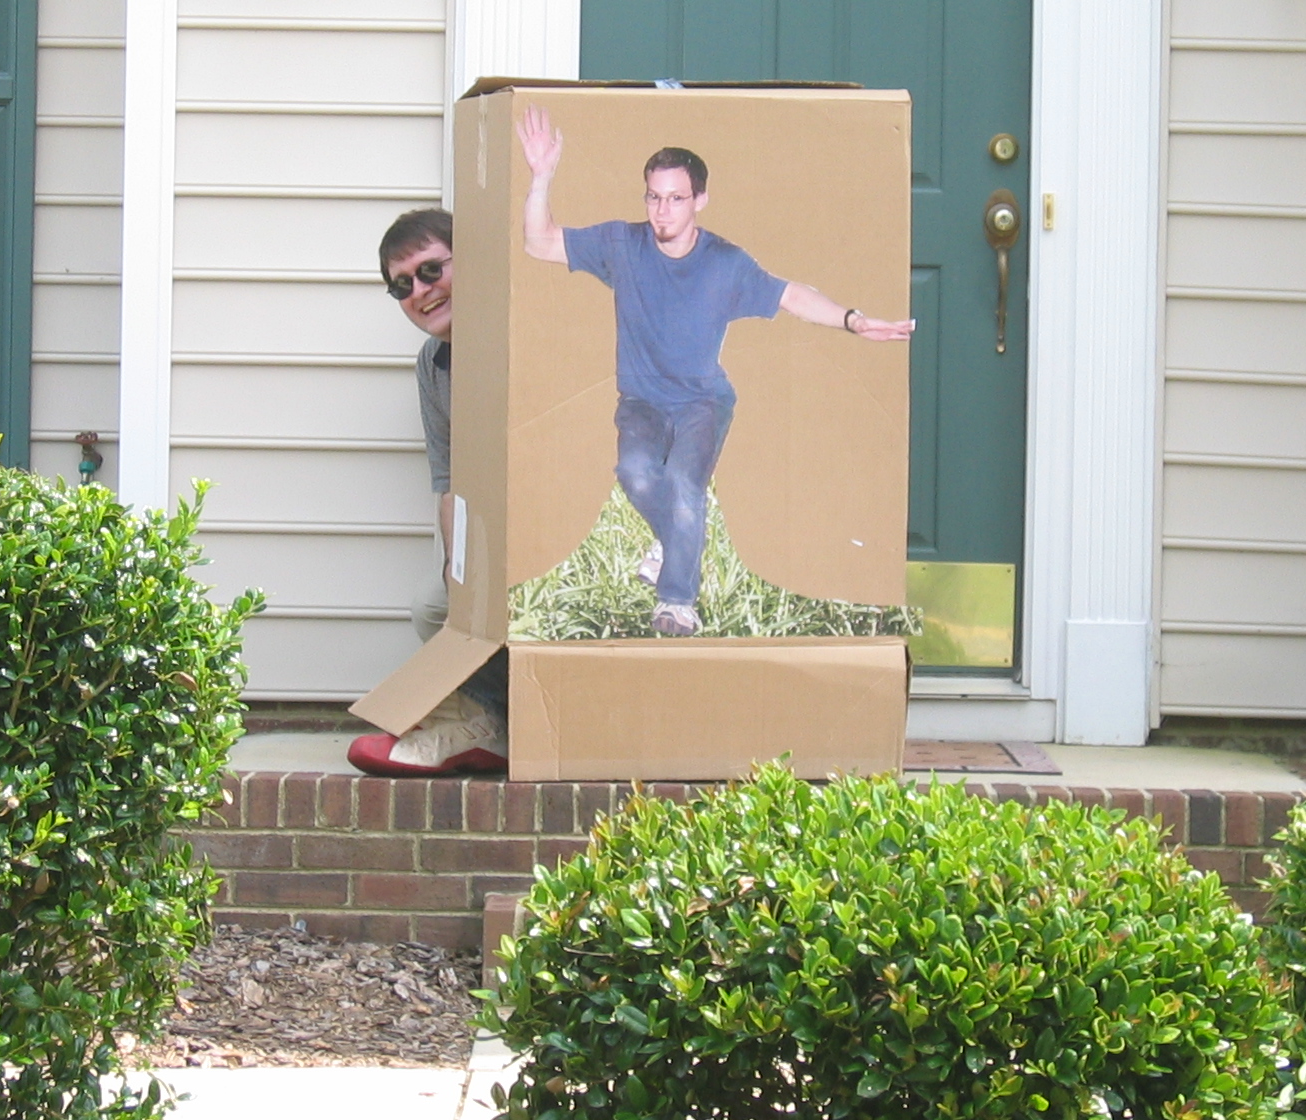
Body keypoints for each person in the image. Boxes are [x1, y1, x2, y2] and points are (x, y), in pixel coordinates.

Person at [515, 104, 914, 635]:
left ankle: (676, 603)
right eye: (654, 197)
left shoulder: (726, 263)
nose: (663, 211)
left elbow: (792, 295)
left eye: (676, 199)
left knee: (684, 482)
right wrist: (542, 176)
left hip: (703, 401)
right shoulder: (621, 245)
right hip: (641, 401)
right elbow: (538, 242)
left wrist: (854, 320)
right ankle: (673, 541)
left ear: (699, 200)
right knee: (636, 473)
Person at [346, 208, 510, 777]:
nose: (419, 291)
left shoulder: (517, 333)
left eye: (431, 270)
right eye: (401, 285)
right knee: (436, 605)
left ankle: (496, 721)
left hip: (553, 536)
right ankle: (491, 724)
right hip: (493, 541)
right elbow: (449, 479)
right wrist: (457, 569)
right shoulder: (433, 364)